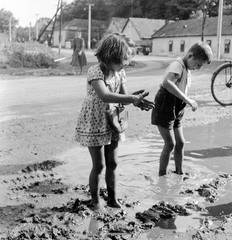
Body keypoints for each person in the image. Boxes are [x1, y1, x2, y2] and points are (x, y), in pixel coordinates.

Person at [75, 33, 154, 212]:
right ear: (110, 57)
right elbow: (104, 95)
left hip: (114, 120)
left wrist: (136, 100)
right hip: (95, 122)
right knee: (99, 165)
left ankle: (112, 198)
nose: (126, 63)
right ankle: (95, 202)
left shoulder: (120, 73)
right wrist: (131, 98)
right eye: (122, 60)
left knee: (113, 163)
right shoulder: (95, 71)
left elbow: (124, 98)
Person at [151, 41, 213, 177]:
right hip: (165, 106)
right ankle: (162, 176)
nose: (198, 68)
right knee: (170, 143)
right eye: (198, 65)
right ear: (190, 56)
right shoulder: (177, 65)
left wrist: (185, 101)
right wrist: (187, 99)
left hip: (177, 107)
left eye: (200, 66)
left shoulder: (187, 69)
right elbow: (167, 83)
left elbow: (181, 87)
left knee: (181, 142)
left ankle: (179, 172)